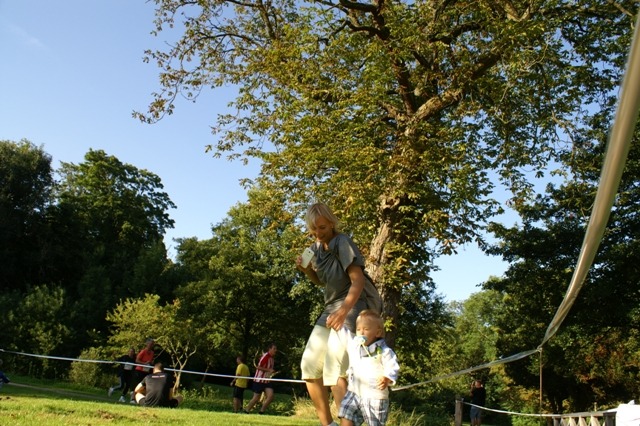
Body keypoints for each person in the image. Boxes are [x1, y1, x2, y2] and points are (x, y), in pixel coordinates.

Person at [296, 203, 368, 426]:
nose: (318, 233)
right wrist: (307, 270)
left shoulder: (342, 242)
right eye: (313, 229)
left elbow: (358, 281)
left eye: (322, 227)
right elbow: (321, 281)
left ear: (332, 223)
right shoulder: (315, 249)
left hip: (350, 305)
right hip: (329, 308)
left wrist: (343, 312)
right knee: (309, 366)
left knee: (334, 369)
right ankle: (328, 424)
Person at [337, 309, 400, 426]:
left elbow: (392, 366)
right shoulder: (354, 346)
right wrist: (337, 322)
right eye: (358, 329)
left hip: (374, 396)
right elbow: (345, 335)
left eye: (366, 329)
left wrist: (387, 377)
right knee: (346, 415)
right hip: (354, 393)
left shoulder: (384, 351)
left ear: (378, 332)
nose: (361, 332)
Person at [244, 343, 277, 414]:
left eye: (276, 349)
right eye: (274, 349)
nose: (275, 350)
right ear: (270, 349)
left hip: (266, 381)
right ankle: (246, 410)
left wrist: (271, 372)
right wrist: (269, 370)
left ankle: (261, 411)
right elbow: (258, 367)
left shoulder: (272, 359)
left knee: (271, 396)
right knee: (256, 398)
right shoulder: (265, 356)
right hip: (259, 380)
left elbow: (269, 369)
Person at [133, 338, 155, 403]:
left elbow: (150, 361)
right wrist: (144, 363)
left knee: (146, 386)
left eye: (152, 344)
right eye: (150, 344)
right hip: (139, 371)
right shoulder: (143, 351)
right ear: (147, 344)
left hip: (146, 371)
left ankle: (143, 398)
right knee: (138, 385)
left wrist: (151, 363)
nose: (151, 345)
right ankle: (133, 399)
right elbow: (137, 361)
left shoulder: (152, 353)